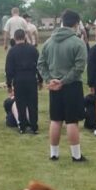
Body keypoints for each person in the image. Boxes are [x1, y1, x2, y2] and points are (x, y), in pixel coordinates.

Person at [38, 9, 89, 163]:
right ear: (76, 23)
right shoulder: (78, 43)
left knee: (56, 120)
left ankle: (54, 153)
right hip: (72, 85)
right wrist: (63, 81)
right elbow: (79, 67)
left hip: (54, 86)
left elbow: (41, 64)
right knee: (72, 121)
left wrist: (50, 80)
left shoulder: (48, 42)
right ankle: (76, 155)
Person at [5, 29, 42, 134]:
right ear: (25, 37)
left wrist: (9, 83)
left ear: (15, 38)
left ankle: (22, 126)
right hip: (31, 78)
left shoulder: (12, 51)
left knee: (20, 103)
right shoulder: (33, 50)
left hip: (19, 80)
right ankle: (34, 126)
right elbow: (39, 66)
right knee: (33, 103)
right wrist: (40, 80)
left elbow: (9, 69)